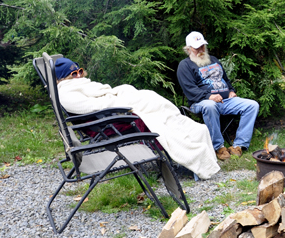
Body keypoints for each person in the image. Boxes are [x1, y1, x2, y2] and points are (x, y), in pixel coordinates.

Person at [55, 57, 220, 180]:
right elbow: (92, 107)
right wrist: (122, 101)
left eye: (80, 71)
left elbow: (101, 94)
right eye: (73, 74)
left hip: (115, 110)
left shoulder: (79, 85)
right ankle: (187, 151)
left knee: (158, 104)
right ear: (64, 78)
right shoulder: (66, 93)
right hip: (107, 121)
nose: (78, 76)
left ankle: (191, 139)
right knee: (152, 118)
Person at [177, 31, 259, 161]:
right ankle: (218, 147)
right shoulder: (184, 65)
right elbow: (190, 90)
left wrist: (231, 90)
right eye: (196, 47)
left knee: (252, 105)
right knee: (210, 105)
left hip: (225, 100)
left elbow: (225, 79)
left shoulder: (213, 60)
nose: (200, 49)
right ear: (188, 49)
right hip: (201, 102)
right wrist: (209, 96)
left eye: (202, 46)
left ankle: (239, 145)